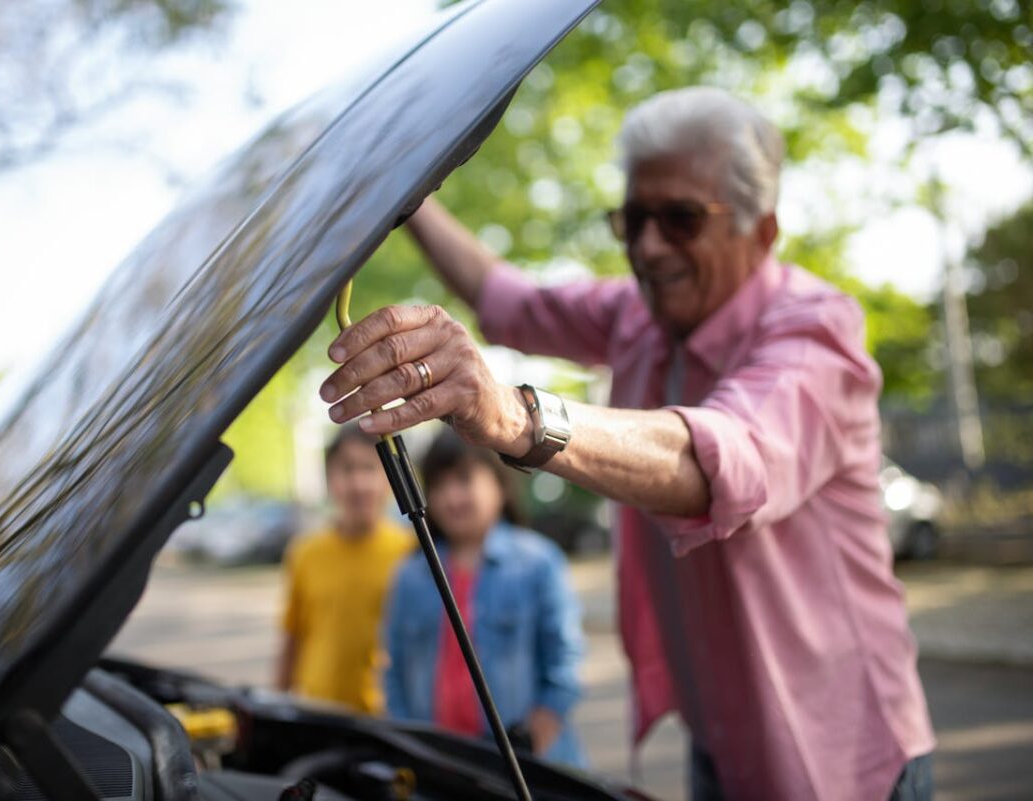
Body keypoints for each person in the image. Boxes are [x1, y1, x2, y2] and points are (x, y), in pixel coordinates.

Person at [318, 87, 935, 800]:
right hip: (720, 745)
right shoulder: (634, 317)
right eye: (634, 218)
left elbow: (724, 456)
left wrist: (513, 416)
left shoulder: (815, 330)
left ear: (761, 232)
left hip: (841, 752)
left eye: (680, 219)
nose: (647, 246)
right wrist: (408, 192)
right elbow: (506, 300)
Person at [383, 428, 586, 767]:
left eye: (464, 479)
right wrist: (413, 746)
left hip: (526, 765)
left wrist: (537, 735)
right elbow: (395, 671)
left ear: (499, 484)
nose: (451, 496)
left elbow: (564, 661)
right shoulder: (411, 575)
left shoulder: (538, 563)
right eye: (438, 484)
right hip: (441, 765)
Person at [276, 425, 412, 714]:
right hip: (318, 712)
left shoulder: (411, 552)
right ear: (330, 480)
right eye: (347, 469)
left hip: (388, 717)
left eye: (369, 468)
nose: (359, 483)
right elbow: (292, 640)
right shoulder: (305, 553)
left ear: (389, 479)